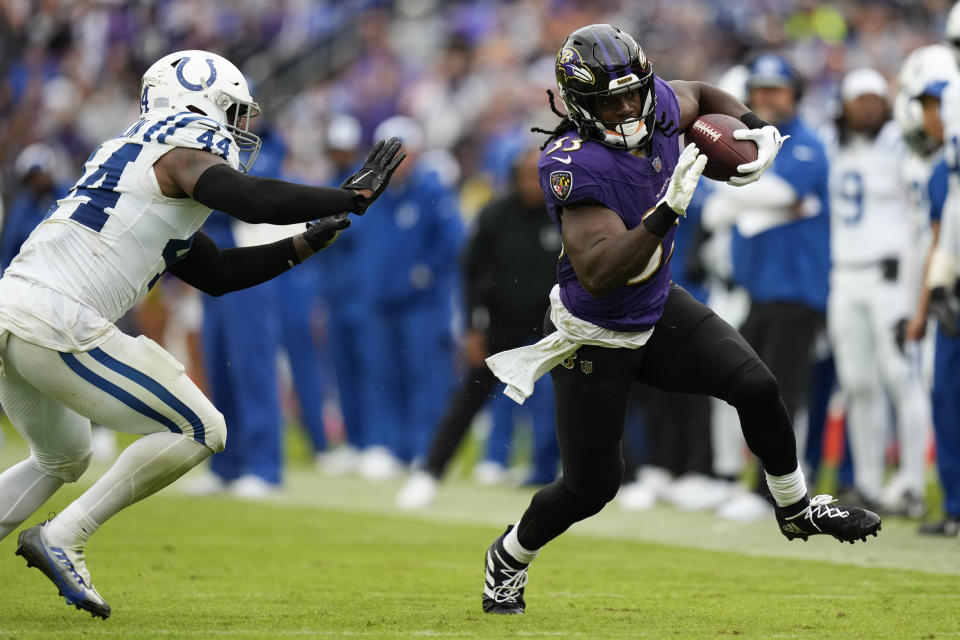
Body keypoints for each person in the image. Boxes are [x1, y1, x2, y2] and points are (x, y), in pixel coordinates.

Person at [480, 25, 881, 616]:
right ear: (578, 104)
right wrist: (664, 212)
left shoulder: (658, 103)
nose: (625, 108)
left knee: (757, 385)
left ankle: (795, 510)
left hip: (658, 303)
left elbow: (702, 93)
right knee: (592, 486)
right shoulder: (572, 163)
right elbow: (598, 270)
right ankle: (510, 555)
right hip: (596, 331)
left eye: (631, 94)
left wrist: (753, 126)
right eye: (608, 101)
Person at [0, 50, 404, 619]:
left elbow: (216, 273)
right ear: (197, 102)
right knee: (201, 427)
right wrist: (349, 197)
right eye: (233, 112)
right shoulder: (181, 152)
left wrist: (304, 244)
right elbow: (253, 200)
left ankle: (59, 530)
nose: (241, 127)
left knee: (64, 455)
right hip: (56, 318)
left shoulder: (134, 156)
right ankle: (67, 534)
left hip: (13, 309)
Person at [700, 54, 832, 521]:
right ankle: (749, 481)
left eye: (778, 90)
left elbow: (777, 193)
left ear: (794, 94)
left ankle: (771, 491)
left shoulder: (806, 144)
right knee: (749, 391)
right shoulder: (753, 143)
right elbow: (743, 199)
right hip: (758, 290)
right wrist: (747, 196)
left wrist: (730, 194)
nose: (768, 99)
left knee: (783, 394)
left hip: (795, 292)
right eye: (761, 90)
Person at [395, 146, 562, 510]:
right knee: (467, 399)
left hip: (551, 329)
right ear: (514, 176)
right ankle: (429, 473)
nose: (533, 184)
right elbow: (471, 273)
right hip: (499, 326)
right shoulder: (495, 214)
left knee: (579, 398)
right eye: (525, 176)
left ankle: (620, 476)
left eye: (539, 176)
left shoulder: (562, 215)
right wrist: (472, 327)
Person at [826, 68, 932, 514]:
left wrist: (915, 282)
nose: (868, 107)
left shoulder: (901, 145)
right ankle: (868, 484)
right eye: (859, 99)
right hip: (844, 276)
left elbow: (921, 217)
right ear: (844, 105)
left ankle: (911, 483)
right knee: (856, 383)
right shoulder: (831, 144)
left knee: (900, 378)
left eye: (875, 98)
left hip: (890, 276)